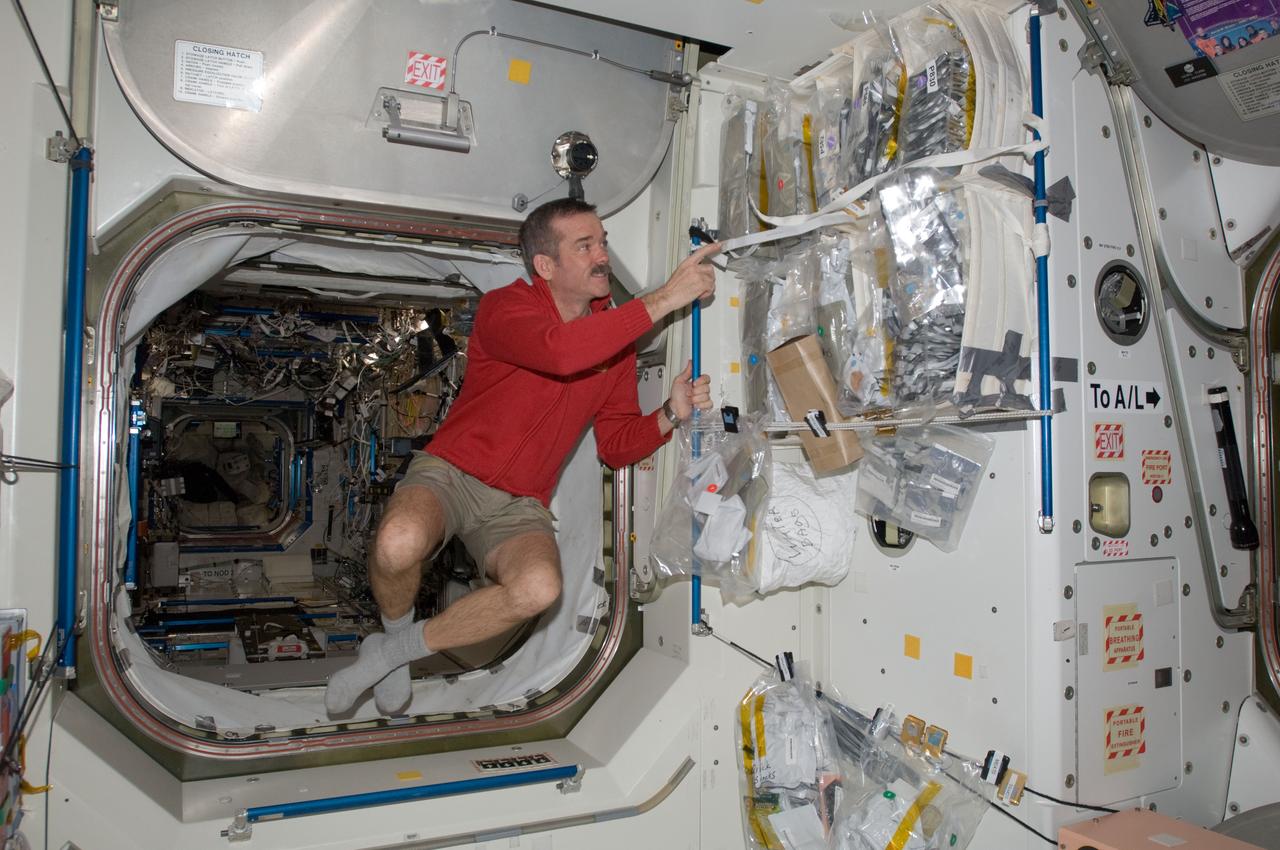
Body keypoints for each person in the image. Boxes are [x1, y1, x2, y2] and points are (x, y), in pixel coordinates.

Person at [324, 198, 721, 716]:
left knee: (539, 588)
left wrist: (670, 411)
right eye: (585, 246)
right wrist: (666, 297)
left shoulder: (614, 344)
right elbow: (560, 352)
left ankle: (394, 653)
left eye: (602, 241)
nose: (602, 255)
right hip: (452, 474)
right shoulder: (505, 309)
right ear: (545, 266)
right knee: (398, 543)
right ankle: (395, 637)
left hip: (520, 500)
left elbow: (617, 444)